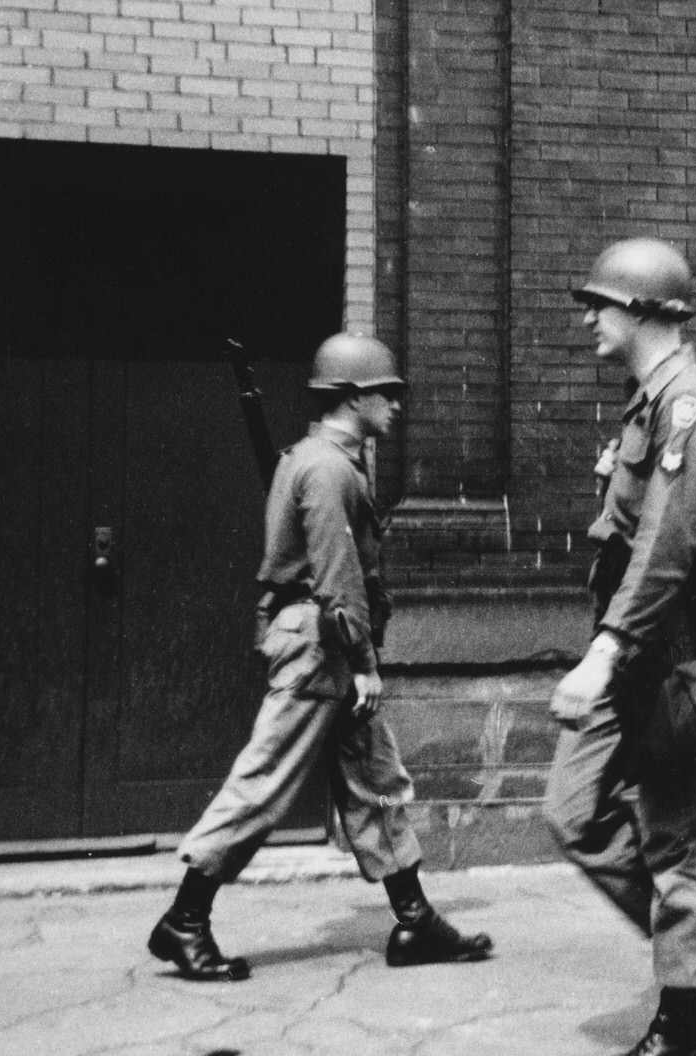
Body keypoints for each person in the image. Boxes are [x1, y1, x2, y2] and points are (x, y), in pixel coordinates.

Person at [148, 332, 493, 981]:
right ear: (354, 396)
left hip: (319, 639)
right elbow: (339, 578)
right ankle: (184, 920)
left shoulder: (310, 459)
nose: (395, 406)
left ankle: (415, 921)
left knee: (376, 781)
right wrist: (364, 661)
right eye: (387, 394)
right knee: (266, 780)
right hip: (323, 646)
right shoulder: (330, 468)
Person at [544, 238, 696, 1056]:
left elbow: (666, 551)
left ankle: (680, 1022)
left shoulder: (687, 409)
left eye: (598, 306)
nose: (589, 323)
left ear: (640, 310)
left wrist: (605, 653)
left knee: (680, 839)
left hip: (664, 650)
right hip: (636, 644)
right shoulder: (651, 405)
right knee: (571, 811)